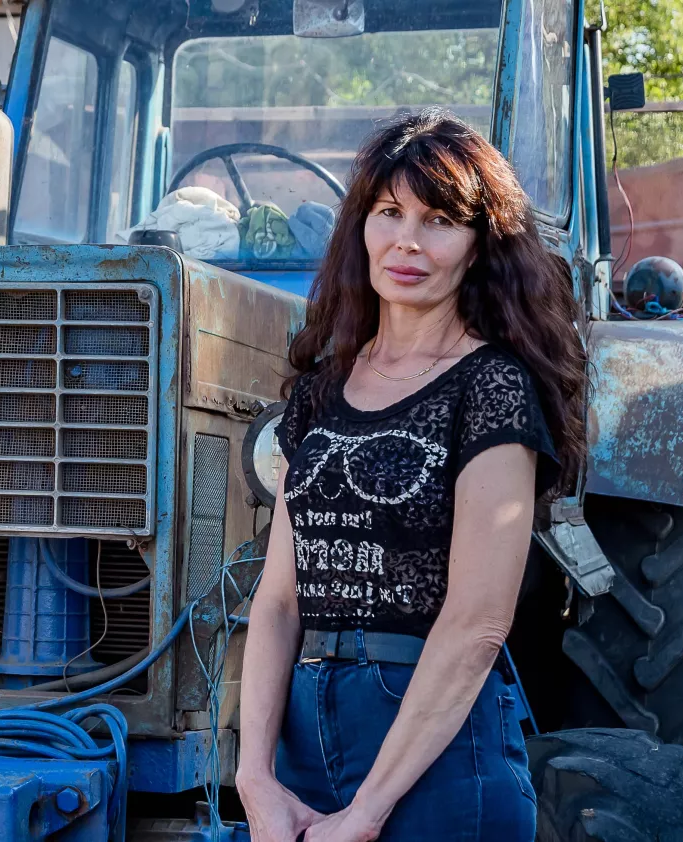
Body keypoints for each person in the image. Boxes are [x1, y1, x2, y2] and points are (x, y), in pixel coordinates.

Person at [235, 108, 588, 842]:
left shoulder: (491, 388)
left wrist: (366, 813)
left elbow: (478, 624)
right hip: (303, 736)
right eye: (389, 212)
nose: (407, 240)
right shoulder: (320, 393)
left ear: (478, 245)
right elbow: (276, 605)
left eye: (438, 220)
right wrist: (255, 777)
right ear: (360, 224)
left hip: (434, 748)